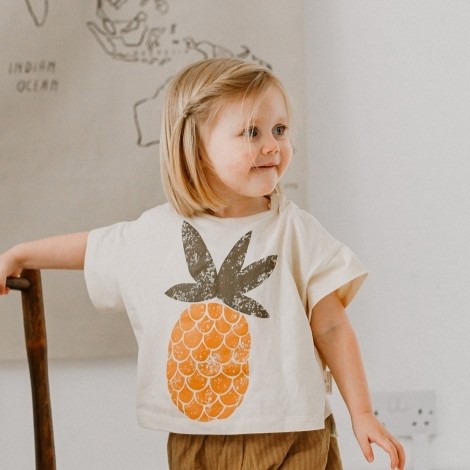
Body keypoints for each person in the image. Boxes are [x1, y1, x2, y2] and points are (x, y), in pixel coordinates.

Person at [0, 58, 405, 469]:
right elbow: (92, 248)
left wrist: (362, 412)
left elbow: (332, 325)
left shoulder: (295, 231)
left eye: (280, 130)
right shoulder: (157, 232)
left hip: (293, 434)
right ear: (196, 147)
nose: (272, 146)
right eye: (252, 132)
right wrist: (20, 254)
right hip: (197, 438)